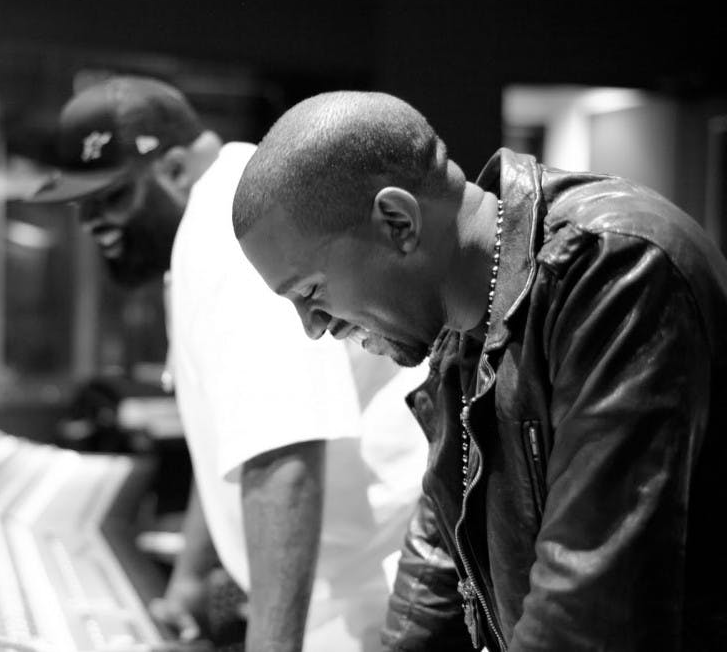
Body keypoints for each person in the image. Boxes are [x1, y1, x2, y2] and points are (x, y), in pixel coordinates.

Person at [231, 89, 727, 651]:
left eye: (310, 292)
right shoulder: (462, 328)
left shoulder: (613, 267)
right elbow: (436, 568)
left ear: (397, 221)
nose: (313, 327)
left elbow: (586, 615)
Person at [30, 76, 429, 652]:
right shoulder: (211, 217)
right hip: (342, 590)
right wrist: (191, 577)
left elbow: (284, 456)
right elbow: (232, 437)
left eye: (111, 197)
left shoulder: (226, 231)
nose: (91, 221)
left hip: (367, 600)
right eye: (82, 204)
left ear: (173, 170)